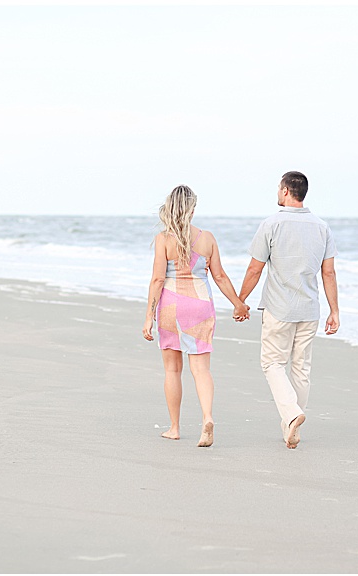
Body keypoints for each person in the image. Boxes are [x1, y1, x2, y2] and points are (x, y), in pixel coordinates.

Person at [237, 171, 339, 449]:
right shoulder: (321, 227)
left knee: (272, 363)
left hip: (279, 308)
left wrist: (240, 300)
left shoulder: (272, 224)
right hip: (310, 308)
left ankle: (292, 414)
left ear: (284, 191)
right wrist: (334, 311)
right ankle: (290, 425)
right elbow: (328, 273)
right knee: (301, 368)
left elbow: (255, 267)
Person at [143, 185, 250, 447]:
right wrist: (238, 304)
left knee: (172, 369)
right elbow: (220, 276)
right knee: (201, 369)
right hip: (200, 305)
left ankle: (175, 427)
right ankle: (207, 417)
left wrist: (148, 317)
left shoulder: (163, 239)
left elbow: (158, 279)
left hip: (171, 306)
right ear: (192, 208)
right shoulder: (207, 238)